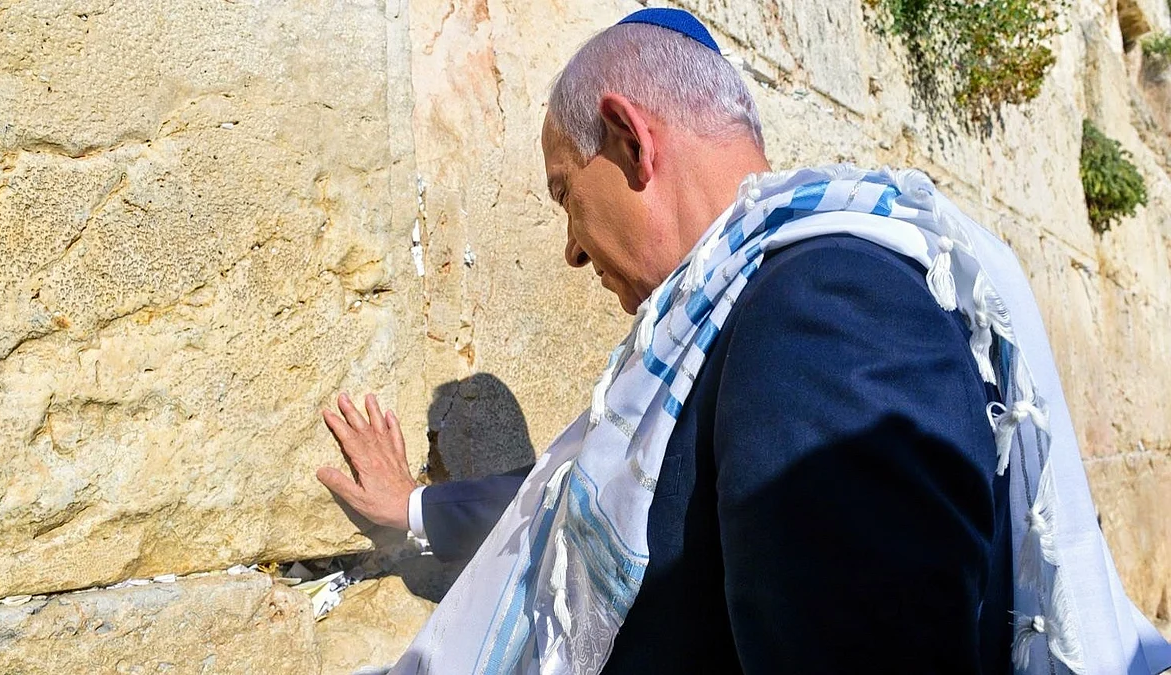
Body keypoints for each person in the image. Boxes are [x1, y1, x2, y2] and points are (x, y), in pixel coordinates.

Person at [316, 8, 1171, 675]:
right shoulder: (734, 325)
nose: (571, 248)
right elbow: (588, 496)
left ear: (630, 138)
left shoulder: (824, 310)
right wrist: (414, 511)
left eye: (565, 194)